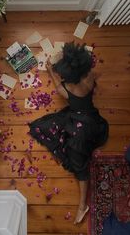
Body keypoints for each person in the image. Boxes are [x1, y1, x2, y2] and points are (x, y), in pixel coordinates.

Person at [29, 42, 109, 224]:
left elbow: (58, 83)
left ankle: (82, 205)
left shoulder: (67, 90)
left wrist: (50, 69)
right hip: (93, 119)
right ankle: (82, 204)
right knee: (75, 148)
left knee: (79, 165)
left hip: (80, 127)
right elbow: (86, 73)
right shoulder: (89, 75)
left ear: (69, 79)